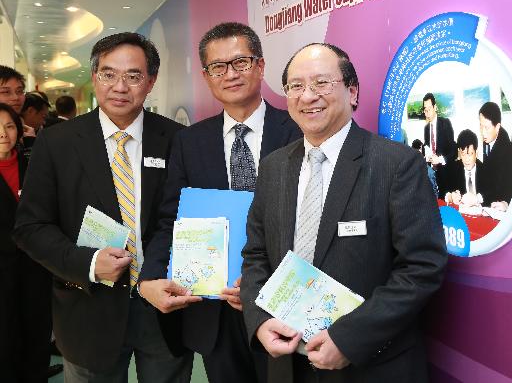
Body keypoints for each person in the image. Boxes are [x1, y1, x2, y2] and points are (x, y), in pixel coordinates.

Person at [241, 43, 448, 382]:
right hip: (287, 362)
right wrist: (260, 319)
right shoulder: (274, 168)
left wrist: (350, 339)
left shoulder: (396, 165)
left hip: (368, 365)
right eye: (295, 86)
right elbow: (255, 256)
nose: (307, 96)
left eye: (322, 83)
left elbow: (422, 267)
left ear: (352, 91)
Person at [13, 33, 192, 382]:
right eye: (109, 74)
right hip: (88, 307)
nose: (120, 86)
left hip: (161, 308)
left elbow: (181, 218)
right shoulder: (57, 142)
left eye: (134, 76)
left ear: (151, 81)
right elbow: (30, 227)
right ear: (95, 77)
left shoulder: (177, 139)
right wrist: (90, 263)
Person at [139, 22, 302, 383]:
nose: (230, 74)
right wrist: (148, 276)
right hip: (214, 310)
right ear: (207, 76)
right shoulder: (189, 141)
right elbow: (171, 220)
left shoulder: (298, 130)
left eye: (240, 62)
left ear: (260, 66)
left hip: (281, 304)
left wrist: (261, 285)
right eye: (218, 67)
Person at [0, 103, 56, 382]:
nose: (3, 134)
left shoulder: (33, 164)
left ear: (19, 131)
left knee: (37, 327)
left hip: (35, 265)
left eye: (9, 126)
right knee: (6, 333)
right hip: (3, 269)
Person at [478, 101, 512, 211]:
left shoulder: (507, 151)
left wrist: (478, 198)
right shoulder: (489, 138)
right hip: (489, 201)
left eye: (487, 127)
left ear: (497, 126)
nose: (483, 132)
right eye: (481, 126)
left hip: (501, 205)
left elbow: (501, 185)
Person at [440, 129, 486, 206]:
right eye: (463, 154)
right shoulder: (452, 169)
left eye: (470, 154)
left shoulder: (485, 169)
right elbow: (441, 192)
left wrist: (477, 198)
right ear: (459, 152)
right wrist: (450, 196)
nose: (467, 159)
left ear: (476, 152)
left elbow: (493, 192)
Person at [422, 93, 455, 169]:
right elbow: (428, 147)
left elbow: (453, 150)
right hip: (431, 172)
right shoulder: (426, 128)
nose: (427, 113)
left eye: (429, 109)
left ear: (435, 107)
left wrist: (440, 159)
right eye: (425, 110)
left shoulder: (445, 123)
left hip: (444, 172)